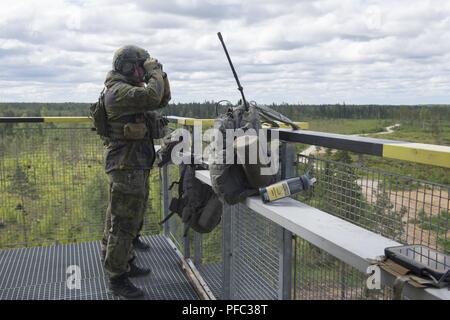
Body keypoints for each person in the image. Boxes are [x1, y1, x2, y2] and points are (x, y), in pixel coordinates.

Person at [100, 45, 171, 298]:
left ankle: (124, 261)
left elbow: (161, 99)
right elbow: (152, 97)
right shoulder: (119, 91)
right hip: (125, 165)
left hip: (132, 164)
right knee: (123, 222)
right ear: (129, 67)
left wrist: (159, 74)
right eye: (140, 65)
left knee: (123, 217)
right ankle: (117, 278)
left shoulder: (128, 89)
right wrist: (155, 72)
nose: (144, 70)